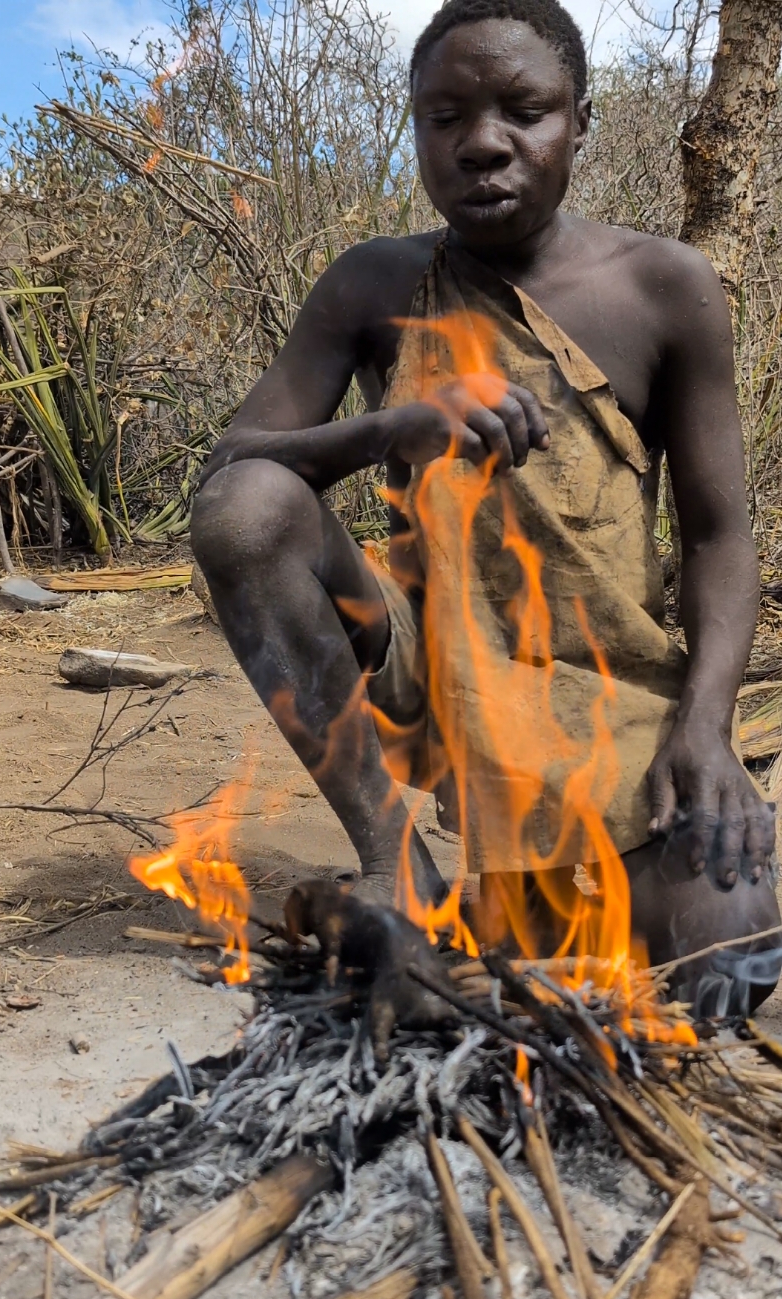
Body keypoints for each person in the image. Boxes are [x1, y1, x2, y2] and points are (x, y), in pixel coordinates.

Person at [192, 0, 780, 1029]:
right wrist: (395, 426)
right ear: (416, 129)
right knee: (247, 510)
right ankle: (396, 868)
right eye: (447, 115)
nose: (484, 143)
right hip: (428, 665)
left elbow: (721, 540)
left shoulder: (664, 286)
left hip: (610, 690)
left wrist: (707, 727)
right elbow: (233, 465)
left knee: (731, 969)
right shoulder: (374, 282)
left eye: (526, 110)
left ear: (582, 121)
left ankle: (544, 881)